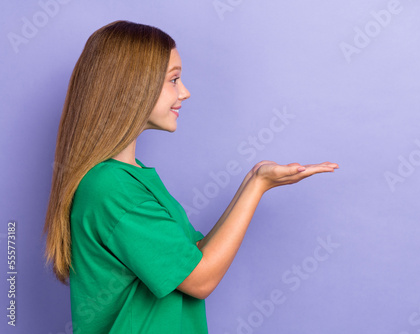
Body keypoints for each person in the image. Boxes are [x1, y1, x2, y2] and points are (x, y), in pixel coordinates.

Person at [43, 20, 339, 333]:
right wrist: (259, 186)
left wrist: (254, 179)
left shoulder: (131, 177)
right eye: (173, 80)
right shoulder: (112, 189)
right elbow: (201, 279)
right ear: (133, 85)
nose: (184, 92)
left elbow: (192, 258)